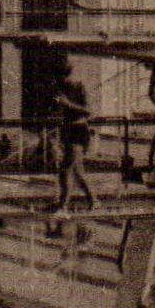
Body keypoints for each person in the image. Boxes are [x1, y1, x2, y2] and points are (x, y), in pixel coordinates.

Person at [53, 63, 95, 213]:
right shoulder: (61, 88)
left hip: (79, 130)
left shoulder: (79, 87)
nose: (62, 82)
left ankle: (64, 204)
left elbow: (89, 111)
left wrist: (68, 104)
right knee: (74, 170)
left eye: (63, 78)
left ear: (68, 76)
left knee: (69, 169)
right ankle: (91, 200)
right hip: (68, 131)